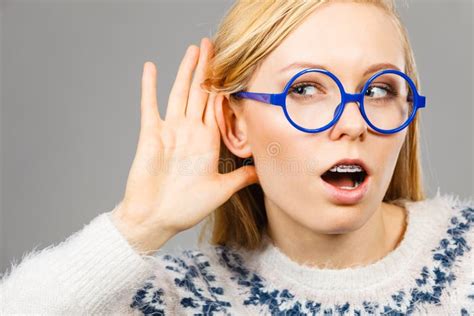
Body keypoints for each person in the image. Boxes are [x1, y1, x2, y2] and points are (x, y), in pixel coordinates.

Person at [1, 0, 473, 315]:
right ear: (235, 126)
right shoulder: (178, 300)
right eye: (305, 88)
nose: (353, 123)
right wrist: (137, 226)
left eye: (380, 88)